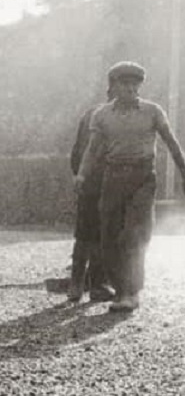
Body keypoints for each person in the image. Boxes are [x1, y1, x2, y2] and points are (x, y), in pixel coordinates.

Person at [75, 61, 185, 312]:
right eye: (124, 83)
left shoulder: (152, 111)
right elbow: (92, 150)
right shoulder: (102, 115)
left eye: (135, 83)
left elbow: (172, 144)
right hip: (113, 177)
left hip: (142, 178)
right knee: (109, 236)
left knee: (134, 234)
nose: (131, 88)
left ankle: (131, 292)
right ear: (114, 87)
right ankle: (120, 290)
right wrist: (82, 176)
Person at [67, 96, 114, 303]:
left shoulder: (90, 113)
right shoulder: (111, 116)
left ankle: (77, 284)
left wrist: (79, 175)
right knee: (99, 233)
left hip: (90, 181)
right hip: (104, 181)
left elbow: (76, 151)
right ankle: (96, 284)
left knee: (85, 233)